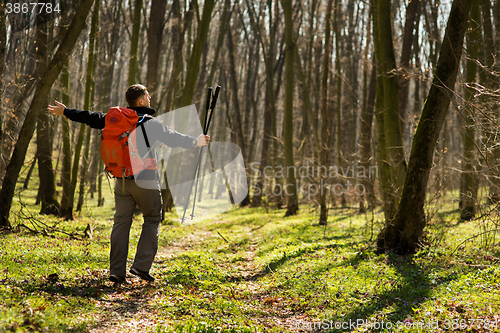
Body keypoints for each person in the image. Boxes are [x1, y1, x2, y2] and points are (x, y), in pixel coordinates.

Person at [48, 84, 210, 284]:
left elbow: (89, 117)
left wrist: (65, 111)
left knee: (121, 223)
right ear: (141, 101)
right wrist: (196, 142)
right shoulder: (150, 122)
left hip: (121, 180)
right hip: (146, 180)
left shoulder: (114, 119)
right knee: (152, 218)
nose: (150, 97)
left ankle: (117, 272)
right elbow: (172, 138)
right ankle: (141, 266)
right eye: (147, 94)